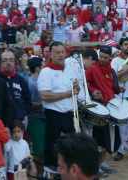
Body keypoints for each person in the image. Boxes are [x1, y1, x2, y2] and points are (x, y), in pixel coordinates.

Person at [36, 42, 79, 177]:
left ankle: (69, 172)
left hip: (69, 113)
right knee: (53, 148)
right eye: (57, 53)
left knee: (71, 147)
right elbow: (45, 96)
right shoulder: (46, 72)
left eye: (62, 52)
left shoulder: (70, 68)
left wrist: (76, 89)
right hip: (53, 114)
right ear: (51, 54)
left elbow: (75, 89)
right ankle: (51, 172)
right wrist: (68, 93)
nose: (60, 55)